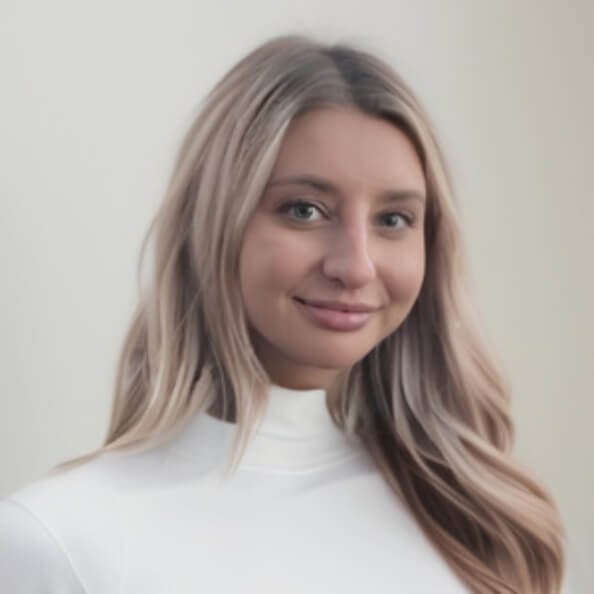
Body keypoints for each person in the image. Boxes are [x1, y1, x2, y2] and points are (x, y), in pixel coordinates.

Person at [0, 34, 571, 593]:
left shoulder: (475, 525)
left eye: (393, 219)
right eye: (304, 210)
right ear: (214, 223)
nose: (357, 266)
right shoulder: (60, 542)